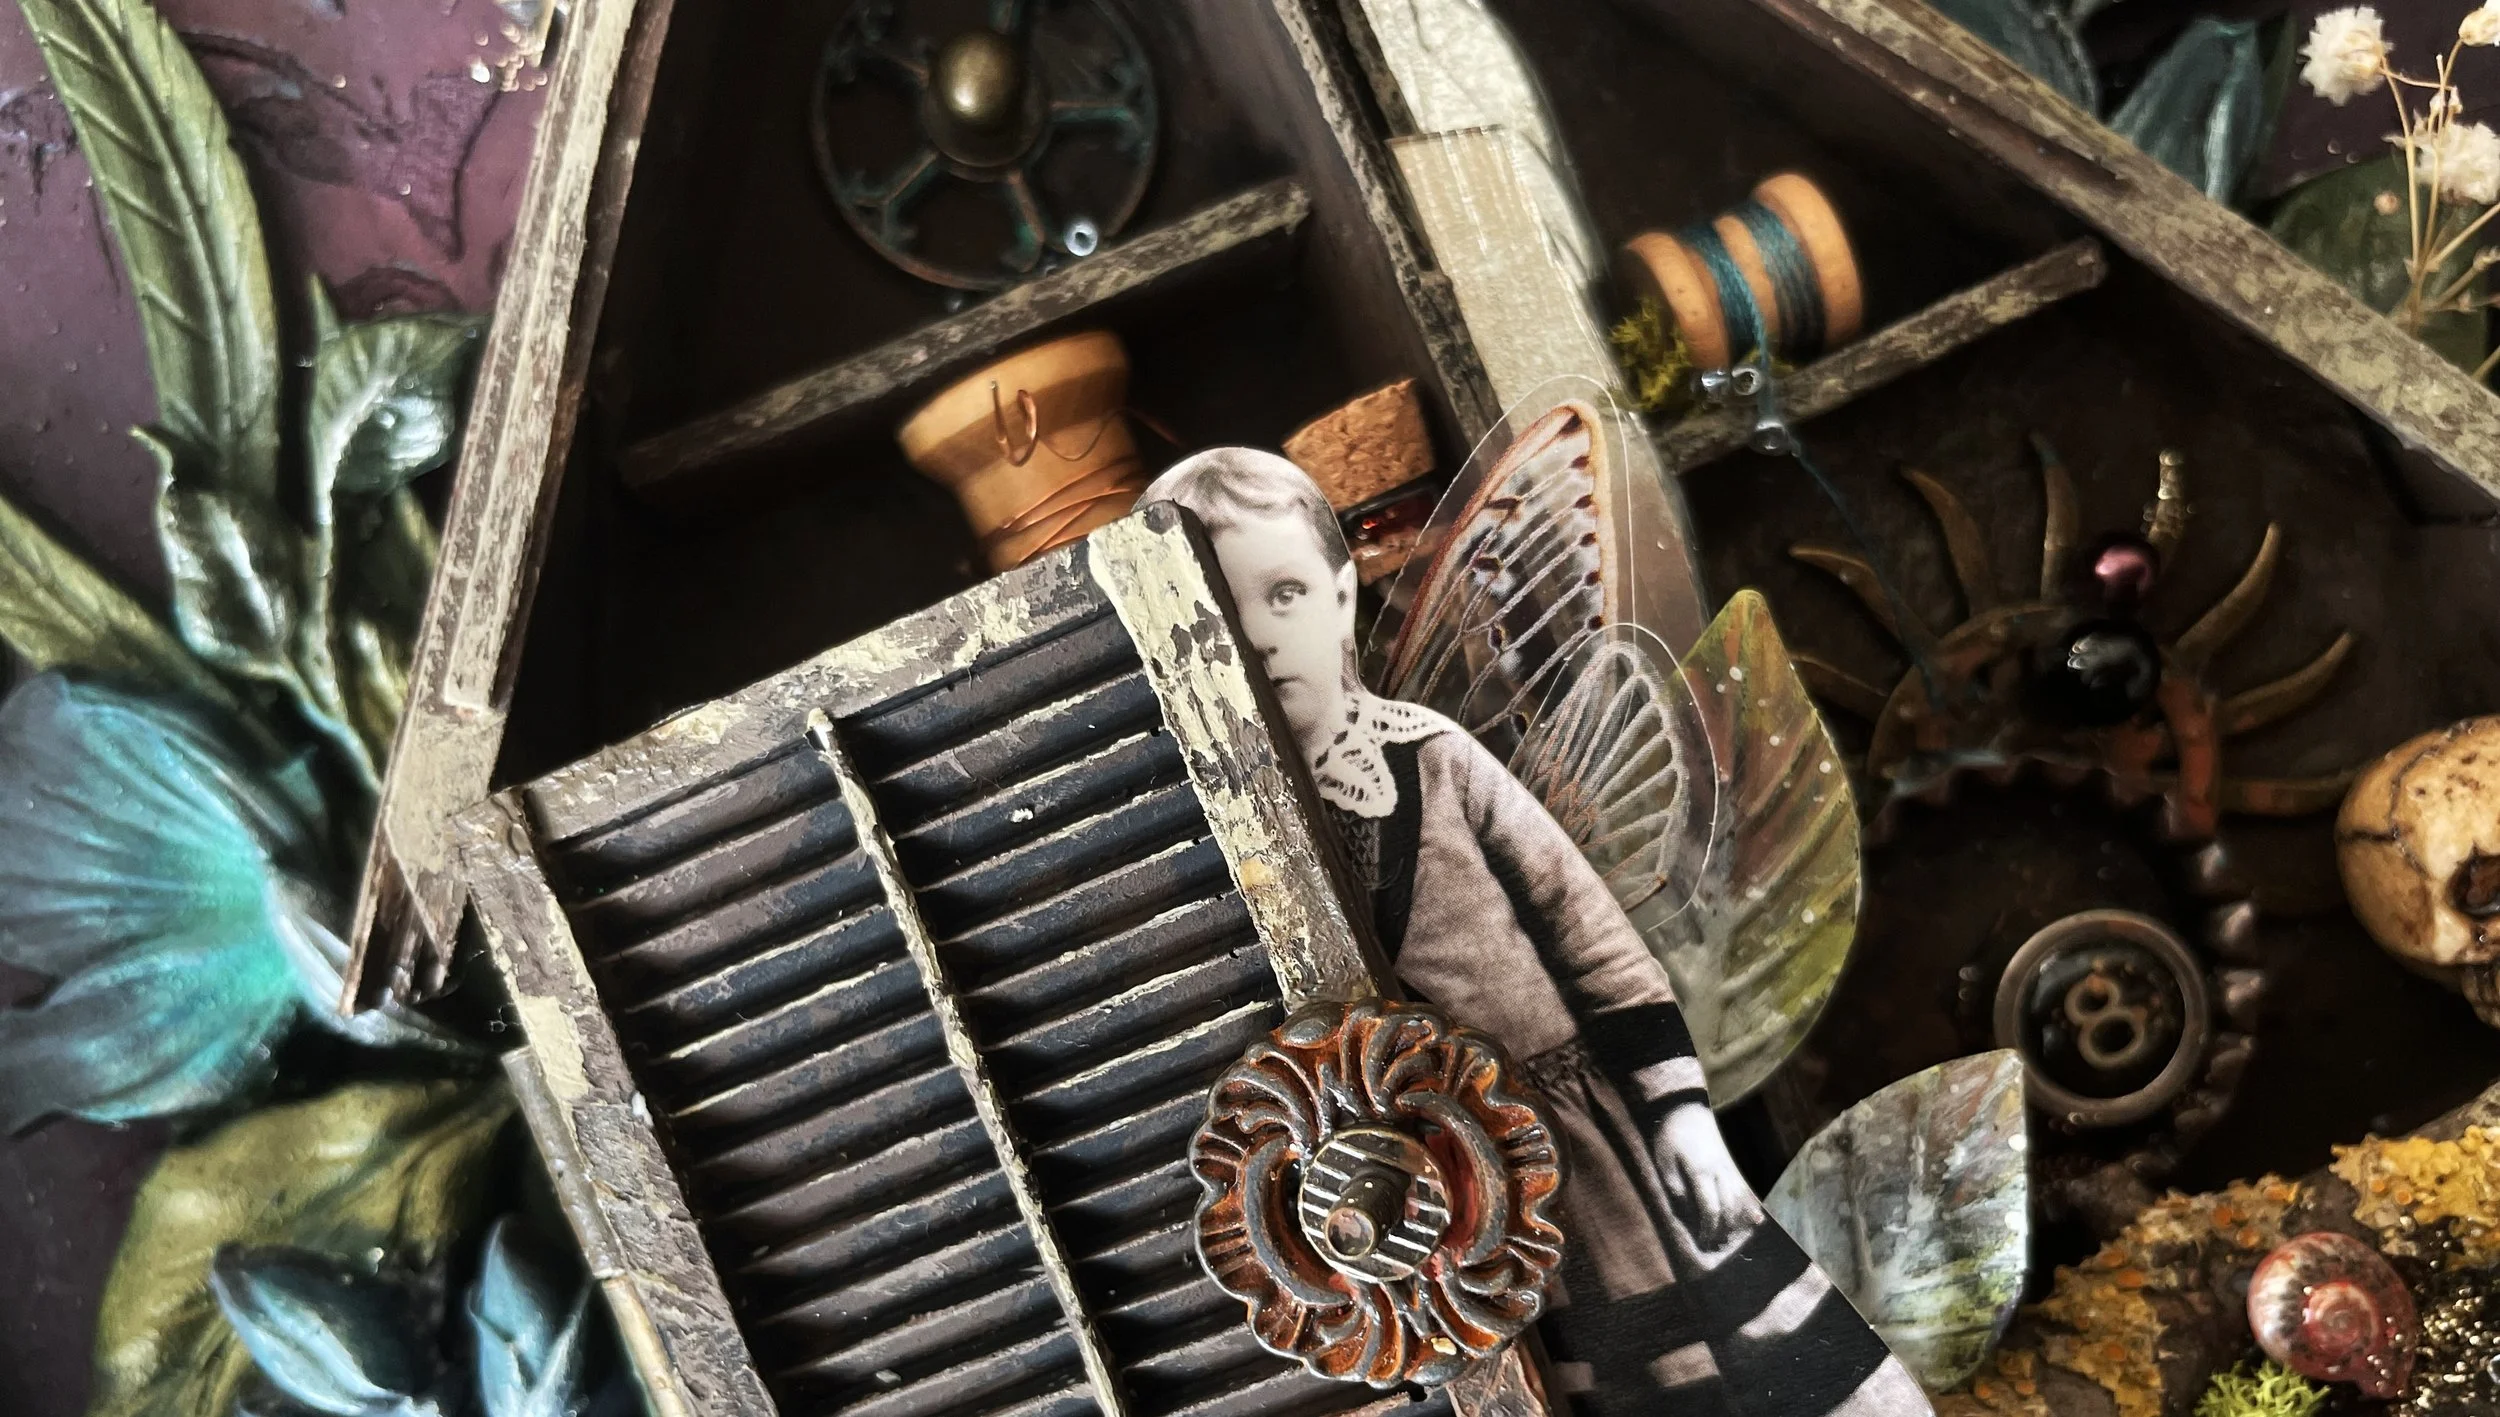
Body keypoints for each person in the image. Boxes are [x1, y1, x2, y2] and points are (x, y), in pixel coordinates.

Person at [1144, 448, 1930, 1417]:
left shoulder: (1432, 759)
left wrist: (1679, 1111)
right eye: (1222, 612)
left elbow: (1592, 938)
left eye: (1286, 593)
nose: (1261, 638)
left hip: (1584, 1142)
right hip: (1425, 1206)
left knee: (1732, 1363)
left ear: (1343, 598)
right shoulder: (1217, 848)